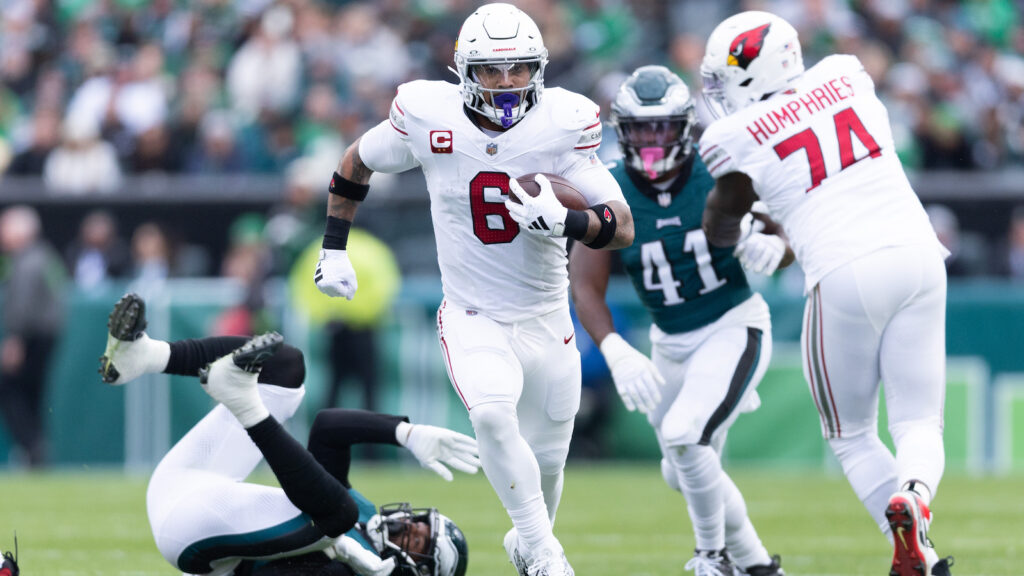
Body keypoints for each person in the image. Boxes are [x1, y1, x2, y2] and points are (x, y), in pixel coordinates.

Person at [311, 5, 635, 575]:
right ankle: (545, 553)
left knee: (548, 463)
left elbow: (620, 224)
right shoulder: (428, 116)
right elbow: (357, 162)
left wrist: (566, 223)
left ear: (539, 68)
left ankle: (529, 543)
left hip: (547, 314)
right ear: (465, 70)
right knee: (490, 415)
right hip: (473, 313)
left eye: (519, 69)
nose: (507, 83)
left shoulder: (564, 122)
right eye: (492, 70)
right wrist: (333, 245)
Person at [698, 11, 953, 576]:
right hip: (918, 252)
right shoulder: (846, 73)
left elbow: (726, 211)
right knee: (917, 423)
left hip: (844, 269)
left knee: (852, 434)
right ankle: (915, 501)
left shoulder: (732, 133)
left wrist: (740, 237)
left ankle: (914, 537)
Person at [569, 65, 789, 576]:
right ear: (622, 131)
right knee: (681, 468)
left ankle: (712, 556)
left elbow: (791, 238)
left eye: (662, 126)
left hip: (733, 325)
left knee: (688, 437)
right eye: (640, 127)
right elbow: (585, 285)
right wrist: (616, 350)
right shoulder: (609, 187)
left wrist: (771, 249)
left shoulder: (722, 169)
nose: (651, 139)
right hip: (670, 342)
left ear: (685, 127)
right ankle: (759, 567)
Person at [98, 293, 477, 576]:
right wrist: (404, 432)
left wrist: (340, 554)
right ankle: (147, 356)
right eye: (416, 523)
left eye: (415, 540)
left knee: (337, 517)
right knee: (286, 367)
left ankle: (243, 403)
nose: (405, 525)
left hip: (191, 537)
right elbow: (328, 428)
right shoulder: (360, 516)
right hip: (186, 483)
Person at [0, 205, 67, 468]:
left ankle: (32, 446)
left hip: (32, 336)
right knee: (33, 395)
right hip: (46, 335)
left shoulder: (28, 261)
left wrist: (16, 338)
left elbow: (23, 304)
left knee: (11, 390)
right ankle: (34, 450)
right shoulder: (45, 256)